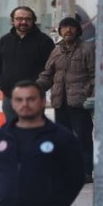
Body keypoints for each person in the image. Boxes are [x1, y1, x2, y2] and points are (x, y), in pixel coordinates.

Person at [37, 16, 95, 182]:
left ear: (77, 30)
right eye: (64, 28)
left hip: (80, 103)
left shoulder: (87, 49)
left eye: (71, 27)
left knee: (83, 138)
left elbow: (95, 75)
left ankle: (86, 172)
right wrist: (34, 88)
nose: (68, 30)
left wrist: (92, 96)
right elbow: (47, 75)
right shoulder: (56, 50)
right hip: (59, 102)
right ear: (60, 31)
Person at [0, 6, 55, 126]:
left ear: (33, 20)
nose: (23, 22)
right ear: (12, 21)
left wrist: (40, 86)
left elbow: (52, 68)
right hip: (9, 95)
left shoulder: (44, 41)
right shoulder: (5, 40)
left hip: (34, 96)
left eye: (27, 19)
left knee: (33, 129)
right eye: (19, 19)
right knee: (12, 130)